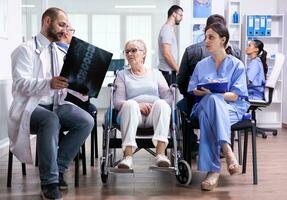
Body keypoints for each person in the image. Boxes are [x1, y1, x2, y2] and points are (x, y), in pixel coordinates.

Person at [8, 7, 94, 200]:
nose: (64, 31)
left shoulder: (58, 50)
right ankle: (49, 183)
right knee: (51, 120)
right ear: (47, 21)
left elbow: (63, 83)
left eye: (67, 27)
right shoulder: (24, 50)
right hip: (29, 107)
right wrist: (48, 83)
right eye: (61, 25)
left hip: (56, 104)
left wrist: (81, 88)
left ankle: (59, 169)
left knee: (86, 121)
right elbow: (20, 84)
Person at [187, 23, 250, 191]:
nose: (206, 41)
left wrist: (212, 94)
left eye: (211, 37)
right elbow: (192, 89)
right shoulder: (201, 65)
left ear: (223, 40)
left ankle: (213, 172)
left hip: (231, 108)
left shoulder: (237, 65)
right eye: (206, 37)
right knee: (211, 102)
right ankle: (227, 150)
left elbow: (235, 96)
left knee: (211, 108)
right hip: (202, 105)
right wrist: (200, 92)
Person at [113, 39, 172, 169]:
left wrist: (154, 105)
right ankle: (127, 157)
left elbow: (168, 97)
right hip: (133, 115)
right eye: (127, 51)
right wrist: (137, 105)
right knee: (130, 104)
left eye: (134, 50)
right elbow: (117, 102)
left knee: (162, 104)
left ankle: (161, 155)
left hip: (154, 115)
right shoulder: (122, 75)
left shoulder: (156, 74)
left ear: (144, 53)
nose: (129, 54)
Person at [158, 5, 183, 86]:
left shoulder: (168, 29)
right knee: (169, 98)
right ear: (174, 14)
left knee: (171, 98)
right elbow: (167, 54)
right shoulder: (167, 30)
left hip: (169, 72)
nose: (181, 18)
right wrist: (178, 70)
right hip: (167, 73)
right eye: (180, 15)